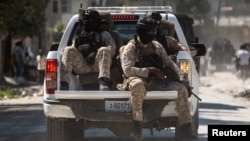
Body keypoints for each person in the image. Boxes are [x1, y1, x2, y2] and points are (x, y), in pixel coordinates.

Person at [117, 16, 195, 140]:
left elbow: (170, 63)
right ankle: (137, 125)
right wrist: (149, 71)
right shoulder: (130, 47)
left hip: (156, 81)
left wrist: (182, 79)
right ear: (141, 32)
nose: (152, 35)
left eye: (154, 32)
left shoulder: (157, 46)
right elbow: (127, 70)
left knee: (181, 89)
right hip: (137, 79)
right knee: (137, 86)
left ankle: (186, 128)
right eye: (149, 32)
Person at [60, 9, 116, 91]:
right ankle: (64, 84)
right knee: (68, 50)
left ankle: (103, 83)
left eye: (90, 20)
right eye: (86, 19)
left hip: (97, 66)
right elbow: (73, 50)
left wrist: (95, 52)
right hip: (82, 65)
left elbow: (112, 50)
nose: (87, 22)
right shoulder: (80, 34)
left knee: (105, 50)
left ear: (96, 22)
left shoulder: (104, 34)